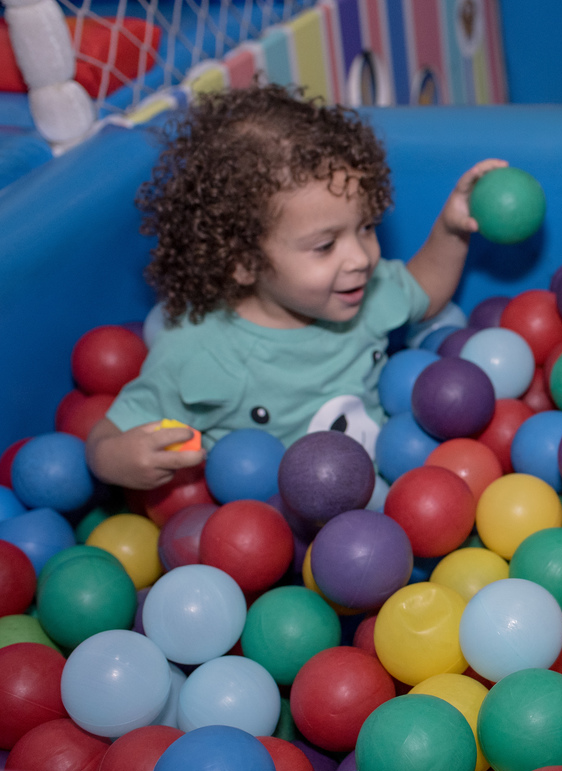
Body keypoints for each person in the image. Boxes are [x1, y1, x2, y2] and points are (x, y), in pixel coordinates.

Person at [86, 85, 505, 490]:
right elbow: (109, 432)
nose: (360, 258)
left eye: (366, 227)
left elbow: (426, 293)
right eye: (325, 246)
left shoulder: (364, 294)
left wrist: (452, 230)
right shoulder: (199, 354)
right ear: (244, 263)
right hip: (273, 529)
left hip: (385, 495)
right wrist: (115, 459)